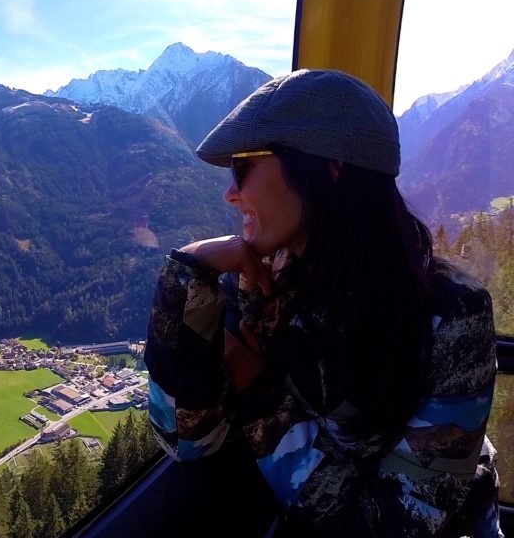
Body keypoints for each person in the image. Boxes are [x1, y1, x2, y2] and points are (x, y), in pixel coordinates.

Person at [144, 69, 502, 537]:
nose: (231, 193)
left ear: (328, 170)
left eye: (243, 166)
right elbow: (186, 439)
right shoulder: (255, 280)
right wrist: (187, 274)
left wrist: (258, 395)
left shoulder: (453, 315)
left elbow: (393, 524)